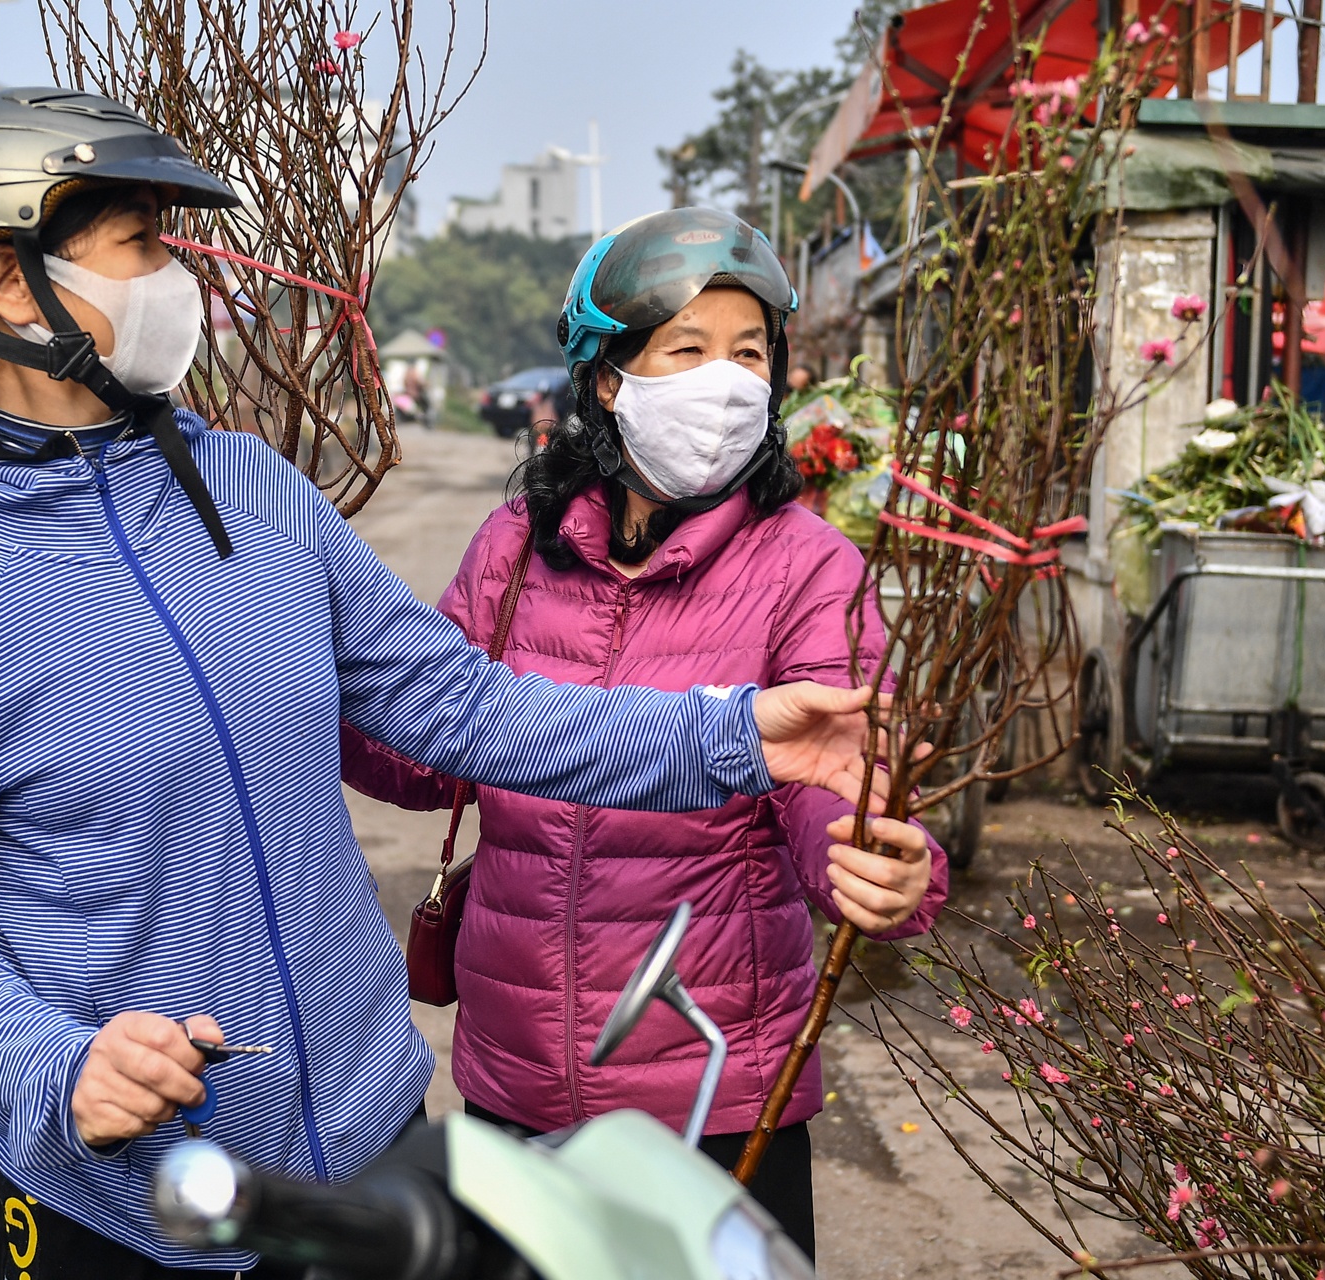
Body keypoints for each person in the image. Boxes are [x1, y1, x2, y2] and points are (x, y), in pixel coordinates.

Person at [0, 92, 906, 1278]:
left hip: (377, 1151)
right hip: (142, 1212)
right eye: (140, 244)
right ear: (10, 285)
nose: (174, 277)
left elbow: (468, 707)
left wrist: (741, 733)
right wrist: (55, 1062)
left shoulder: (255, 492)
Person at [344, 207, 950, 1264]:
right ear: (610, 377)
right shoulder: (515, 547)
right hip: (516, 1073)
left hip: (712, 1086)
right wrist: (281, 678)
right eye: (690, 348)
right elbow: (423, 744)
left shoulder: (808, 565)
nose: (728, 380)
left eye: (751, 352)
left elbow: (826, 771)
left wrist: (875, 857)